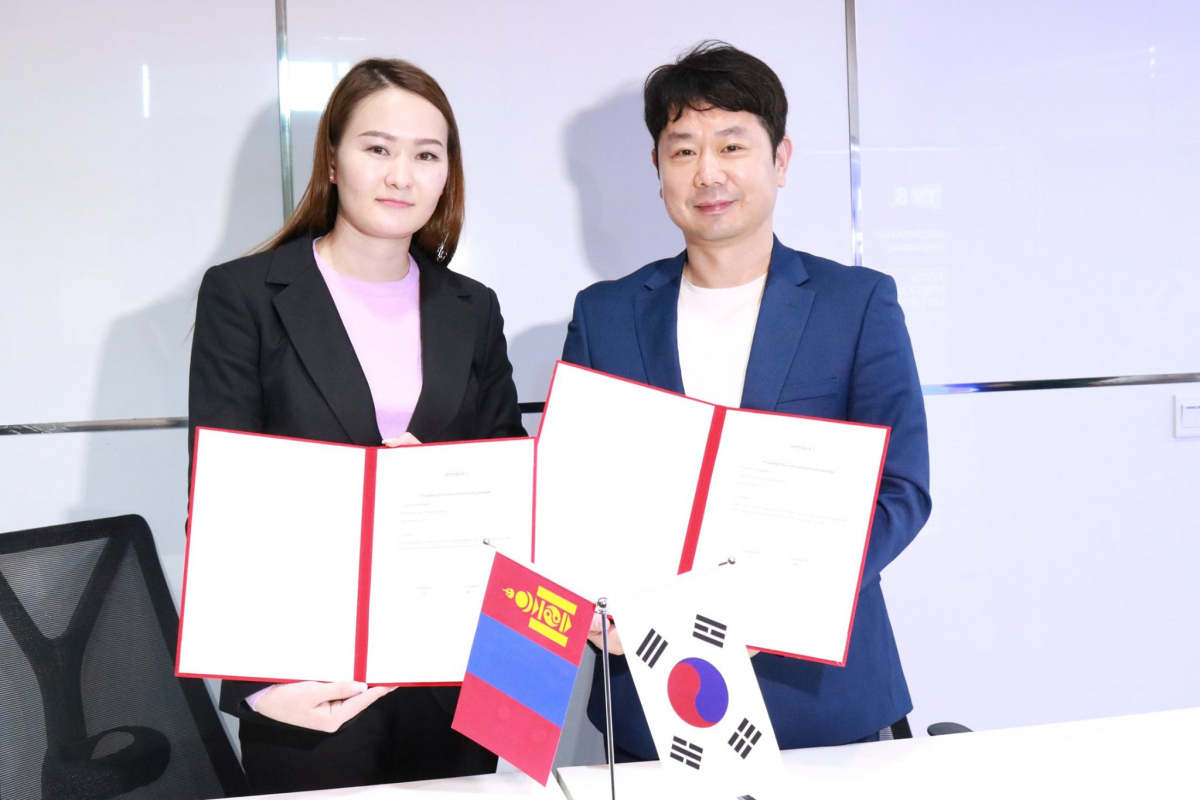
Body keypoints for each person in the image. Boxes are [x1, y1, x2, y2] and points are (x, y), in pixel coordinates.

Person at [564, 41, 931, 756]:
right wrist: (585, 601)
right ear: (658, 169)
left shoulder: (856, 303)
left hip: (822, 700)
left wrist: (786, 600)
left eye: (732, 145)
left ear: (780, 159)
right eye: (683, 151)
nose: (709, 173)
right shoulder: (604, 314)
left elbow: (902, 489)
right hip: (652, 699)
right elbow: (573, 495)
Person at [188, 58, 524, 793]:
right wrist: (257, 685)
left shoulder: (473, 307)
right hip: (307, 672)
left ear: (447, 174)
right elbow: (219, 502)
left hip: (450, 671)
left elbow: (509, 485)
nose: (401, 175)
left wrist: (439, 486)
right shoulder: (246, 296)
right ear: (334, 161)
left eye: (426, 155)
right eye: (377, 148)